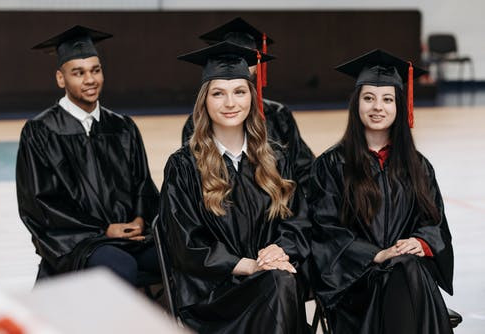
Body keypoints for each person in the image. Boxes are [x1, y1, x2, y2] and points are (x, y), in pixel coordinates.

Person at [160, 41, 311, 333]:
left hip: (270, 280)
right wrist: (250, 266)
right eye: (219, 93)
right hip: (213, 296)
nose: (231, 103)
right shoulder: (183, 166)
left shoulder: (276, 158)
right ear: (204, 101)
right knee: (280, 284)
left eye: (240, 92)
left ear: (252, 98)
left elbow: (298, 222)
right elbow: (185, 244)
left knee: (280, 281)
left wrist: (279, 251)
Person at [308, 49, 454, 334]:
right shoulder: (332, 164)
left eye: (387, 99)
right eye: (368, 98)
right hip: (355, 284)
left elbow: (434, 224)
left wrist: (420, 243)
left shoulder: (417, 166)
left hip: (406, 276)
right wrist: (376, 255)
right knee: (404, 269)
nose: (378, 107)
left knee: (405, 265)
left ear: (400, 105)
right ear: (356, 104)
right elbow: (324, 231)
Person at [16, 26, 160, 286]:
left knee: (175, 257)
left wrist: (139, 219)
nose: (90, 80)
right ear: (61, 79)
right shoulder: (40, 131)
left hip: (130, 235)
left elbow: (143, 184)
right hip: (76, 241)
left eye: (95, 70)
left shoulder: (122, 127)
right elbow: (40, 205)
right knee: (120, 265)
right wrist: (103, 231)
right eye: (78, 73)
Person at [181, 17, 315, 195]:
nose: (230, 103)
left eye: (247, 57)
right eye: (218, 93)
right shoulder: (197, 122)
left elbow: (303, 169)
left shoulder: (279, 115)